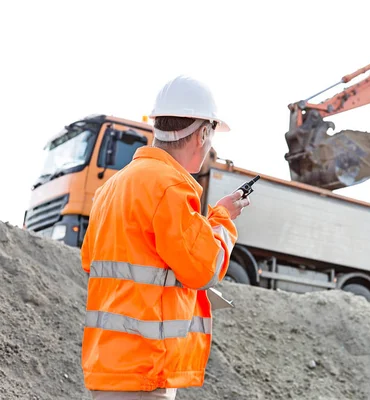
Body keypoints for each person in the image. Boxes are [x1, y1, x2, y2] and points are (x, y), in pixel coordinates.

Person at [80, 75, 250, 399]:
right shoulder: (171, 186)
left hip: (106, 365)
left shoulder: (111, 188)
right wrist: (222, 217)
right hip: (145, 371)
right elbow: (204, 269)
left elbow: (93, 264)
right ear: (203, 133)